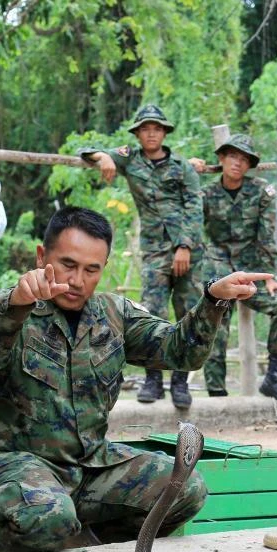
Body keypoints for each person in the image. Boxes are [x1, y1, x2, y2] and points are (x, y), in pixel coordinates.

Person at [0, 206, 271, 552]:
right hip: (10, 463)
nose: (78, 280)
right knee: (46, 517)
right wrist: (15, 305)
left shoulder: (114, 314)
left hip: (90, 465)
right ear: (42, 255)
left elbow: (180, 352)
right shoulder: (6, 306)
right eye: (68, 265)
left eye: (92, 270)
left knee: (186, 489)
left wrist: (213, 299)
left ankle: (84, 542)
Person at [79, 105, 203, 409]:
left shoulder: (181, 167)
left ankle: (180, 383)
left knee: (188, 313)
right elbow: (86, 150)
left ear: (164, 133)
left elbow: (194, 208)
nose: (151, 133)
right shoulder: (131, 159)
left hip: (187, 250)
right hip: (154, 251)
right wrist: (104, 157)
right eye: (145, 128)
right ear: (137, 133)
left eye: (157, 128)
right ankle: (152, 380)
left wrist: (184, 246)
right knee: (151, 313)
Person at [196, 134, 277, 409]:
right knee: (216, 323)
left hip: (250, 270)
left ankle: (275, 377)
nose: (237, 163)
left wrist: (270, 277)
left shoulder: (261, 192)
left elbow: (266, 236)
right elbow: (191, 228)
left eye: (244, 159)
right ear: (221, 158)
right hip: (216, 266)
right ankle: (217, 395)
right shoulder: (206, 193)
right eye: (232, 157)